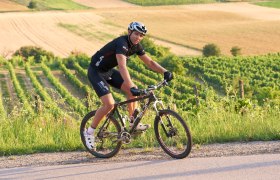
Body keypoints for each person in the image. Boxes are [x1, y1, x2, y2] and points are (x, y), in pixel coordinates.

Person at [85, 21, 173, 149]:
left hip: (108, 71)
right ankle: (89, 132)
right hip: (96, 71)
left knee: (133, 91)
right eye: (136, 34)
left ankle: (133, 123)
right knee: (109, 104)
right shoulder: (122, 43)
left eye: (141, 35)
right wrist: (130, 84)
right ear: (129, 32)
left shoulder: (136, 46)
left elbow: (150, 62)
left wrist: (165, 71)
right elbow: (122, 66)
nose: (138, 37)